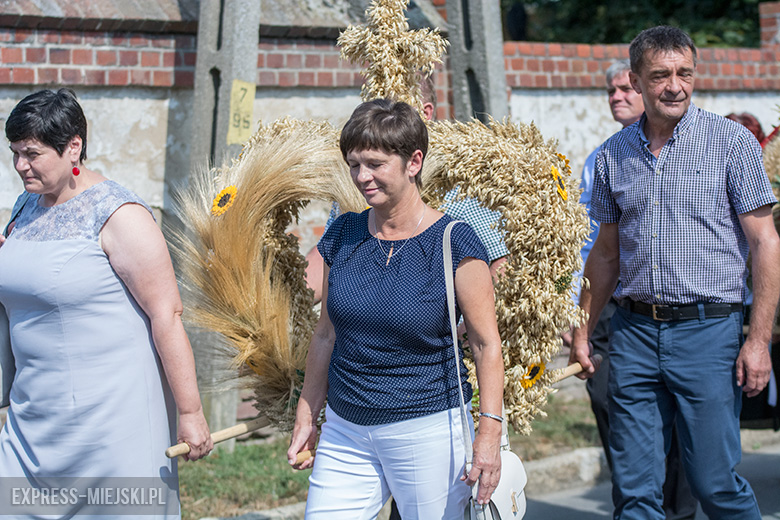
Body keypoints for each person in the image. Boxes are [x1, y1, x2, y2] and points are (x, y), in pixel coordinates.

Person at [570, 26, 780, 519]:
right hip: (634, 333)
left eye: (684, 73)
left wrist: (758, 340)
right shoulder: (613, 155)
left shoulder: (731, 145)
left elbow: (765, 242)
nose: (675, 86)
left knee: (715, 485)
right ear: (637, 81)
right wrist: (582, 328)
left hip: (708, 333)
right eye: (660, 75)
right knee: (636, 494)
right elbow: (604, 255)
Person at [287, 99, 505, 519]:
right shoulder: (344, 234)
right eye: (354, 164)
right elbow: (326, 335)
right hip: (346, 431)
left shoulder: (454, 242)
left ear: (413, 161)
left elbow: (485, 344)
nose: (361, 177)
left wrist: (489, 433)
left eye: (374, 163)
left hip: (426, 430)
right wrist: (307, 414)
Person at [0, 88, 212, 517]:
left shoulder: (120, 214)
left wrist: (190, 411)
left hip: (112, 422)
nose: (20, 165)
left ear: (73, 146)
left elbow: (167, 314)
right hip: (35, 416)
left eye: (32, 153)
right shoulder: (24, 206)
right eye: (15, 152)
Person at [570, 59, 697, 519]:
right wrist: (576, 313)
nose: (617, 96)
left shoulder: (689, 151)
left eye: (626, 88)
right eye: (611, 90)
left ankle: (676, 508)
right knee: (615, 409)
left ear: (646, 89)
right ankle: (636, 503)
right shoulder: (601, 159)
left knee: (676, 420)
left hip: (660, 306)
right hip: (605, 305)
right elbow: (588, 243)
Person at [303, 76, 508, 304]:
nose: (384, 119)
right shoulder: (354, 194)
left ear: (426, 113)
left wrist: (465, 327)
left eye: (396, 112)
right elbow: (326, 261)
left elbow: (501, 262)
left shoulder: (457, 185)